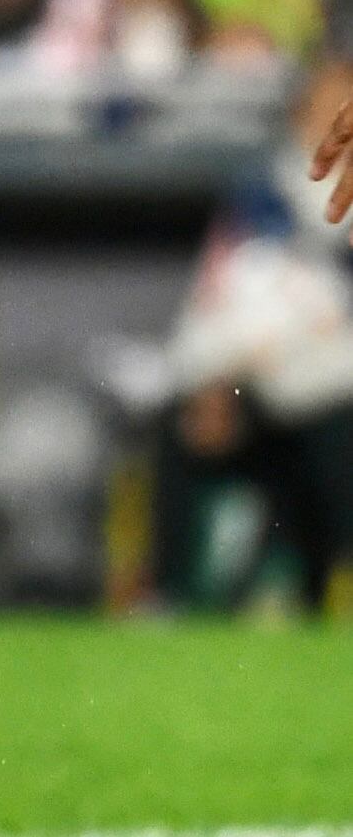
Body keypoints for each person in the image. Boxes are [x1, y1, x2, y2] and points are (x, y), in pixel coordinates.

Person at [164, 57, 353, 615]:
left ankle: (325, 581)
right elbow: (214, 300)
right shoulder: (259, 197)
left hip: (336, 388)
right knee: (184, 419)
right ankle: (176, 592)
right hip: (257, 381)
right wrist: (214, 372)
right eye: (327, 108)